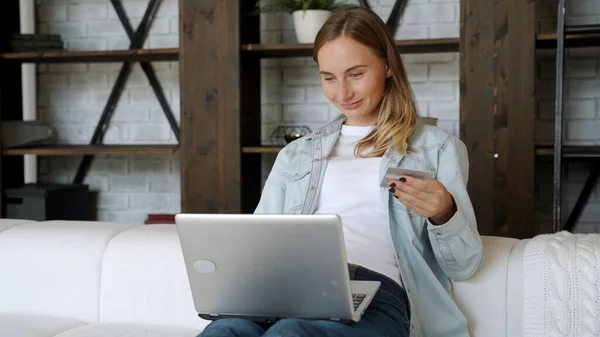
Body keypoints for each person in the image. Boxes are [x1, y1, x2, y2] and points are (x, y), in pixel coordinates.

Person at [199, 6, 483, 337]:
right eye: (329, 78)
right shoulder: (297, 155)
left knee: (290, 333)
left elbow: (464, 266)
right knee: (226, 330)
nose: (342, 93)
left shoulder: (436, 148)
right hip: (293, 289)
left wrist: (444, 214)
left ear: (388, 66)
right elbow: (260, 247)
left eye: (356, 74)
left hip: (378, 294)